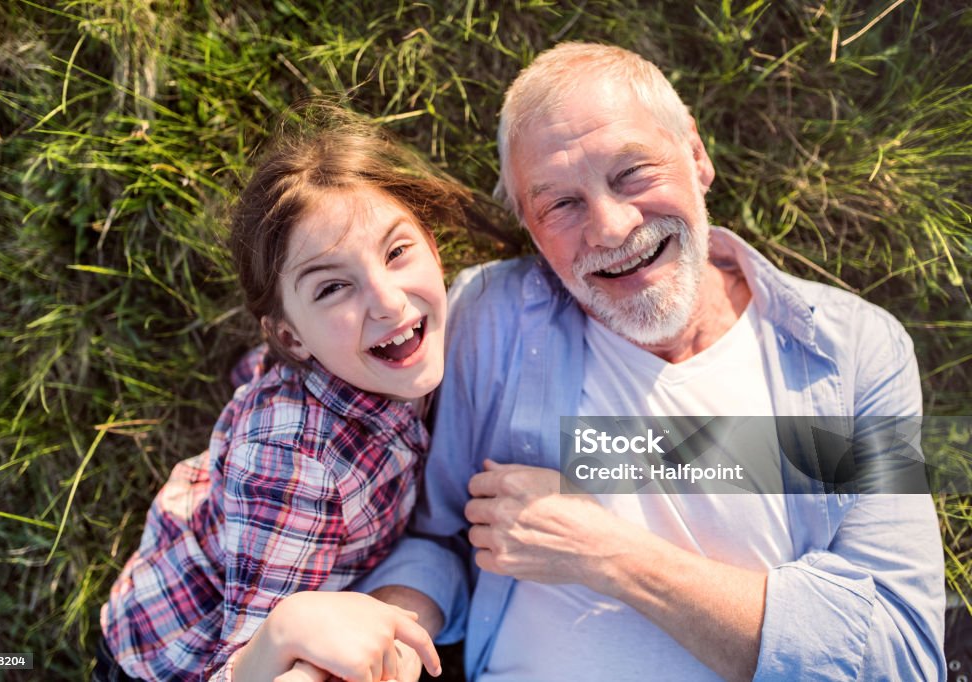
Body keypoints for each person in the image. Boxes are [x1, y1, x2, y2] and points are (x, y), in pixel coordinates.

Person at [359, 42, 946, 680]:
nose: (609, 228)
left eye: (631, 173)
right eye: (561, 205)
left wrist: (609, 556)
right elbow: (440, 537)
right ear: (530, 226)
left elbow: (901, 655)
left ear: (696, 155)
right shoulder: (491, 316)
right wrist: (386, 636)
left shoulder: (850, 352)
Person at [97, 102, 471, 681]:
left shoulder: (385, 354)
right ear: (292, 339)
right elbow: (243, 666)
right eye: (333, 288)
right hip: (170, 658)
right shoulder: (296, 466)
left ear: (432, 242)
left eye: (397, 252)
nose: (389, 301)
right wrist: (287, 630)